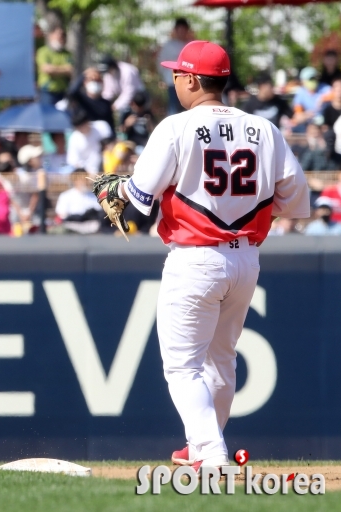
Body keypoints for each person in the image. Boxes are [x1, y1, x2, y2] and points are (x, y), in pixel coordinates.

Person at [111, 41, 309, 471]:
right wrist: (248, 210)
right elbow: (296, 201)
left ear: (193, 80)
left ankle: (211, 451)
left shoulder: (175, 127)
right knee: (221, 359)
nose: (174, 81)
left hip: (195, 257)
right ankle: (203, 446)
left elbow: (140, 196)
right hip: (246, 260)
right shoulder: (264, 129)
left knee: (182, 367)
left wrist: (118, 188)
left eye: (177, 75)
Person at [157, 18, 192, 116]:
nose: (181, 32)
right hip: (172, 81)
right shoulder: (168, 45)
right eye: (179, 30)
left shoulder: (190, 44)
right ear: (175, 30)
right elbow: (161, 62)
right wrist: (163, 78)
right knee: (173, 108)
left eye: (183, 30)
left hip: (188, 80)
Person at [67, 67, 115, 135]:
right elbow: (71, 91)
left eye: (97, 80)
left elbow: (110, 124)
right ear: (85, 82)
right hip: (83, 135)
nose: (95, 82)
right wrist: (84, 75)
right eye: (92, 80)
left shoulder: (106, 103)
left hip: (101, 139)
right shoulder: (80, 99)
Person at [55, 168, 102, 233]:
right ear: (74, 180)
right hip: (72, 224)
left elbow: (99, 213)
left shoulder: (93, 196)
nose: (84, 182)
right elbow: (62, 214)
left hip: (89, 225)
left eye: (85, 179)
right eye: (81, 179)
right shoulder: (65, 196)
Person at [36, 26, 73, 105]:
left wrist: (54, 69)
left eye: (63, 35)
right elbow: (47, 69)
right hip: (47, 92)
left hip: (63, 91)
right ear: (51, 35)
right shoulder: (43, 52)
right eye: (58, 35)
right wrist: (64, 70)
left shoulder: (67, 54)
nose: (61, 38)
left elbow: (71, 70)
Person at [291, 67, 331, 132]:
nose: (313, 81)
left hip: (325, 124)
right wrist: (305, 115)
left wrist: (323, 98)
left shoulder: (324, 88)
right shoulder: (301, 92)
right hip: (309, 126)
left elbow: (335, 93)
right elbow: (297, 113)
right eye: (310, 79)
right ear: (303, 81)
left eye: (314, 78)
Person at [67, 110, 103, 175]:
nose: (80, 130)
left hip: (106, 170)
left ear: (87, 122)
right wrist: (87, 174)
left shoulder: (102, 127)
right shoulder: (74, 138)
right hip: (86, 176)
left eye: (81, 127)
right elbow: (73, 161)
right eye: (78, 128)